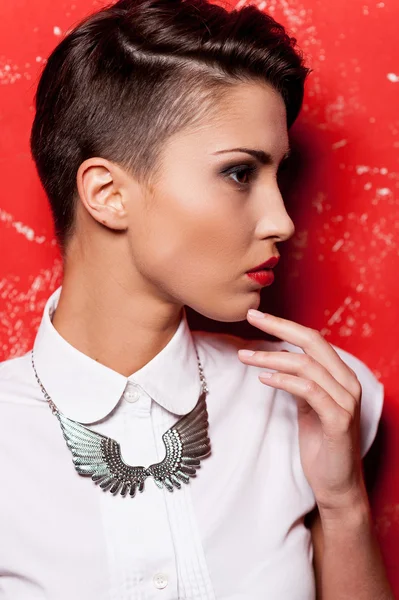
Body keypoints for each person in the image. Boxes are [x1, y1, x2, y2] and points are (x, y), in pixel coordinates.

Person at [0, 0, 393, 598]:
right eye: (240, 173)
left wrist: (342, 504)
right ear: (107, 194)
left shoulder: (317, 403)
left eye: (278, 175)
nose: (282, 221)